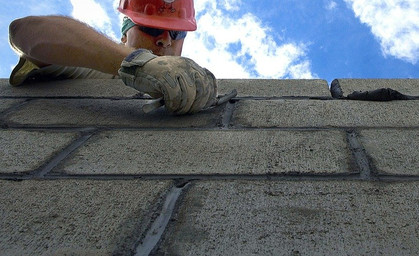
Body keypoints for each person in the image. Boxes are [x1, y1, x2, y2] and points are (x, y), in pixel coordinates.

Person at [8, 0, 220, 114]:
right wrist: (139, 63)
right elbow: (24, 30)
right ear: (125, 34)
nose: (165, 40)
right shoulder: (90, 67)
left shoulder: (193, 89)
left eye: (177, 33)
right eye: (150, 28)